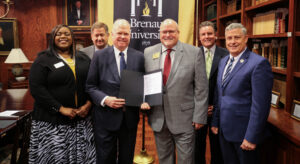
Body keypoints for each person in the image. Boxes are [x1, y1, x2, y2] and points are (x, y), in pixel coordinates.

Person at [141, 19, 208, 164]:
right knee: (164, 159)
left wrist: (199, 117)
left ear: (178, 33)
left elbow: (201, 88)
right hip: (158, 118)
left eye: (171, 31)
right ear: (159, 34)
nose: (167, 34)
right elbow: (143, 81)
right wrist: (142, 100)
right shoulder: (148, 52)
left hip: (185, 119)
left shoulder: (194, 52)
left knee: (186, 160)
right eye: (164, 32)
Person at [29, 24, 96, 163]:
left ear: (73, 38)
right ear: (53, 38)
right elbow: (37, 89)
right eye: (59, 34)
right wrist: (60, 108)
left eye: (67, 34)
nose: (63, 36)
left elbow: (93, 83)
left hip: (81, 121)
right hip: (53, 122)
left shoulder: (83, 58)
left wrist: (88, 104)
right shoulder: (43, 60)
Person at [211, 23, 273, 164]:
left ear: (246, 39)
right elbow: (219, 95)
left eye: (237, 37)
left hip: (244, 135)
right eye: (229, 38)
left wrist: (251, 137)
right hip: (224, 130)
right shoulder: (223, 61)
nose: (232, 42)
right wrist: (215, 121)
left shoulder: (258, 64)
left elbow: (261, 106)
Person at [86, 19, 144, 164]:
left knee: (126, 159)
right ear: (112, 35)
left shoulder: (139, 57)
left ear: (130, 35)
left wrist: (145, 100)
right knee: (105, 159)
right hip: (105, 118)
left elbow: (144, 84)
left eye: (126, 33)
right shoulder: (99, 56)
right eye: (119, 33)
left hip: (129, 119)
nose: (122, 37)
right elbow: (90, 86)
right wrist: (105, 99)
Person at [195, 21, 228, 164]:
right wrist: (200, 106)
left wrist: (216, 106)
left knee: (218, 149)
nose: (206, 36)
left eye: (209, 33)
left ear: (216, 35)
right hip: (197, 111)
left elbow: (229, 84)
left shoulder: (226, 55)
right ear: (199, 37)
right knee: (197, 148)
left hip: (218, 111)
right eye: (203, 34)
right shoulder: (192, 54)